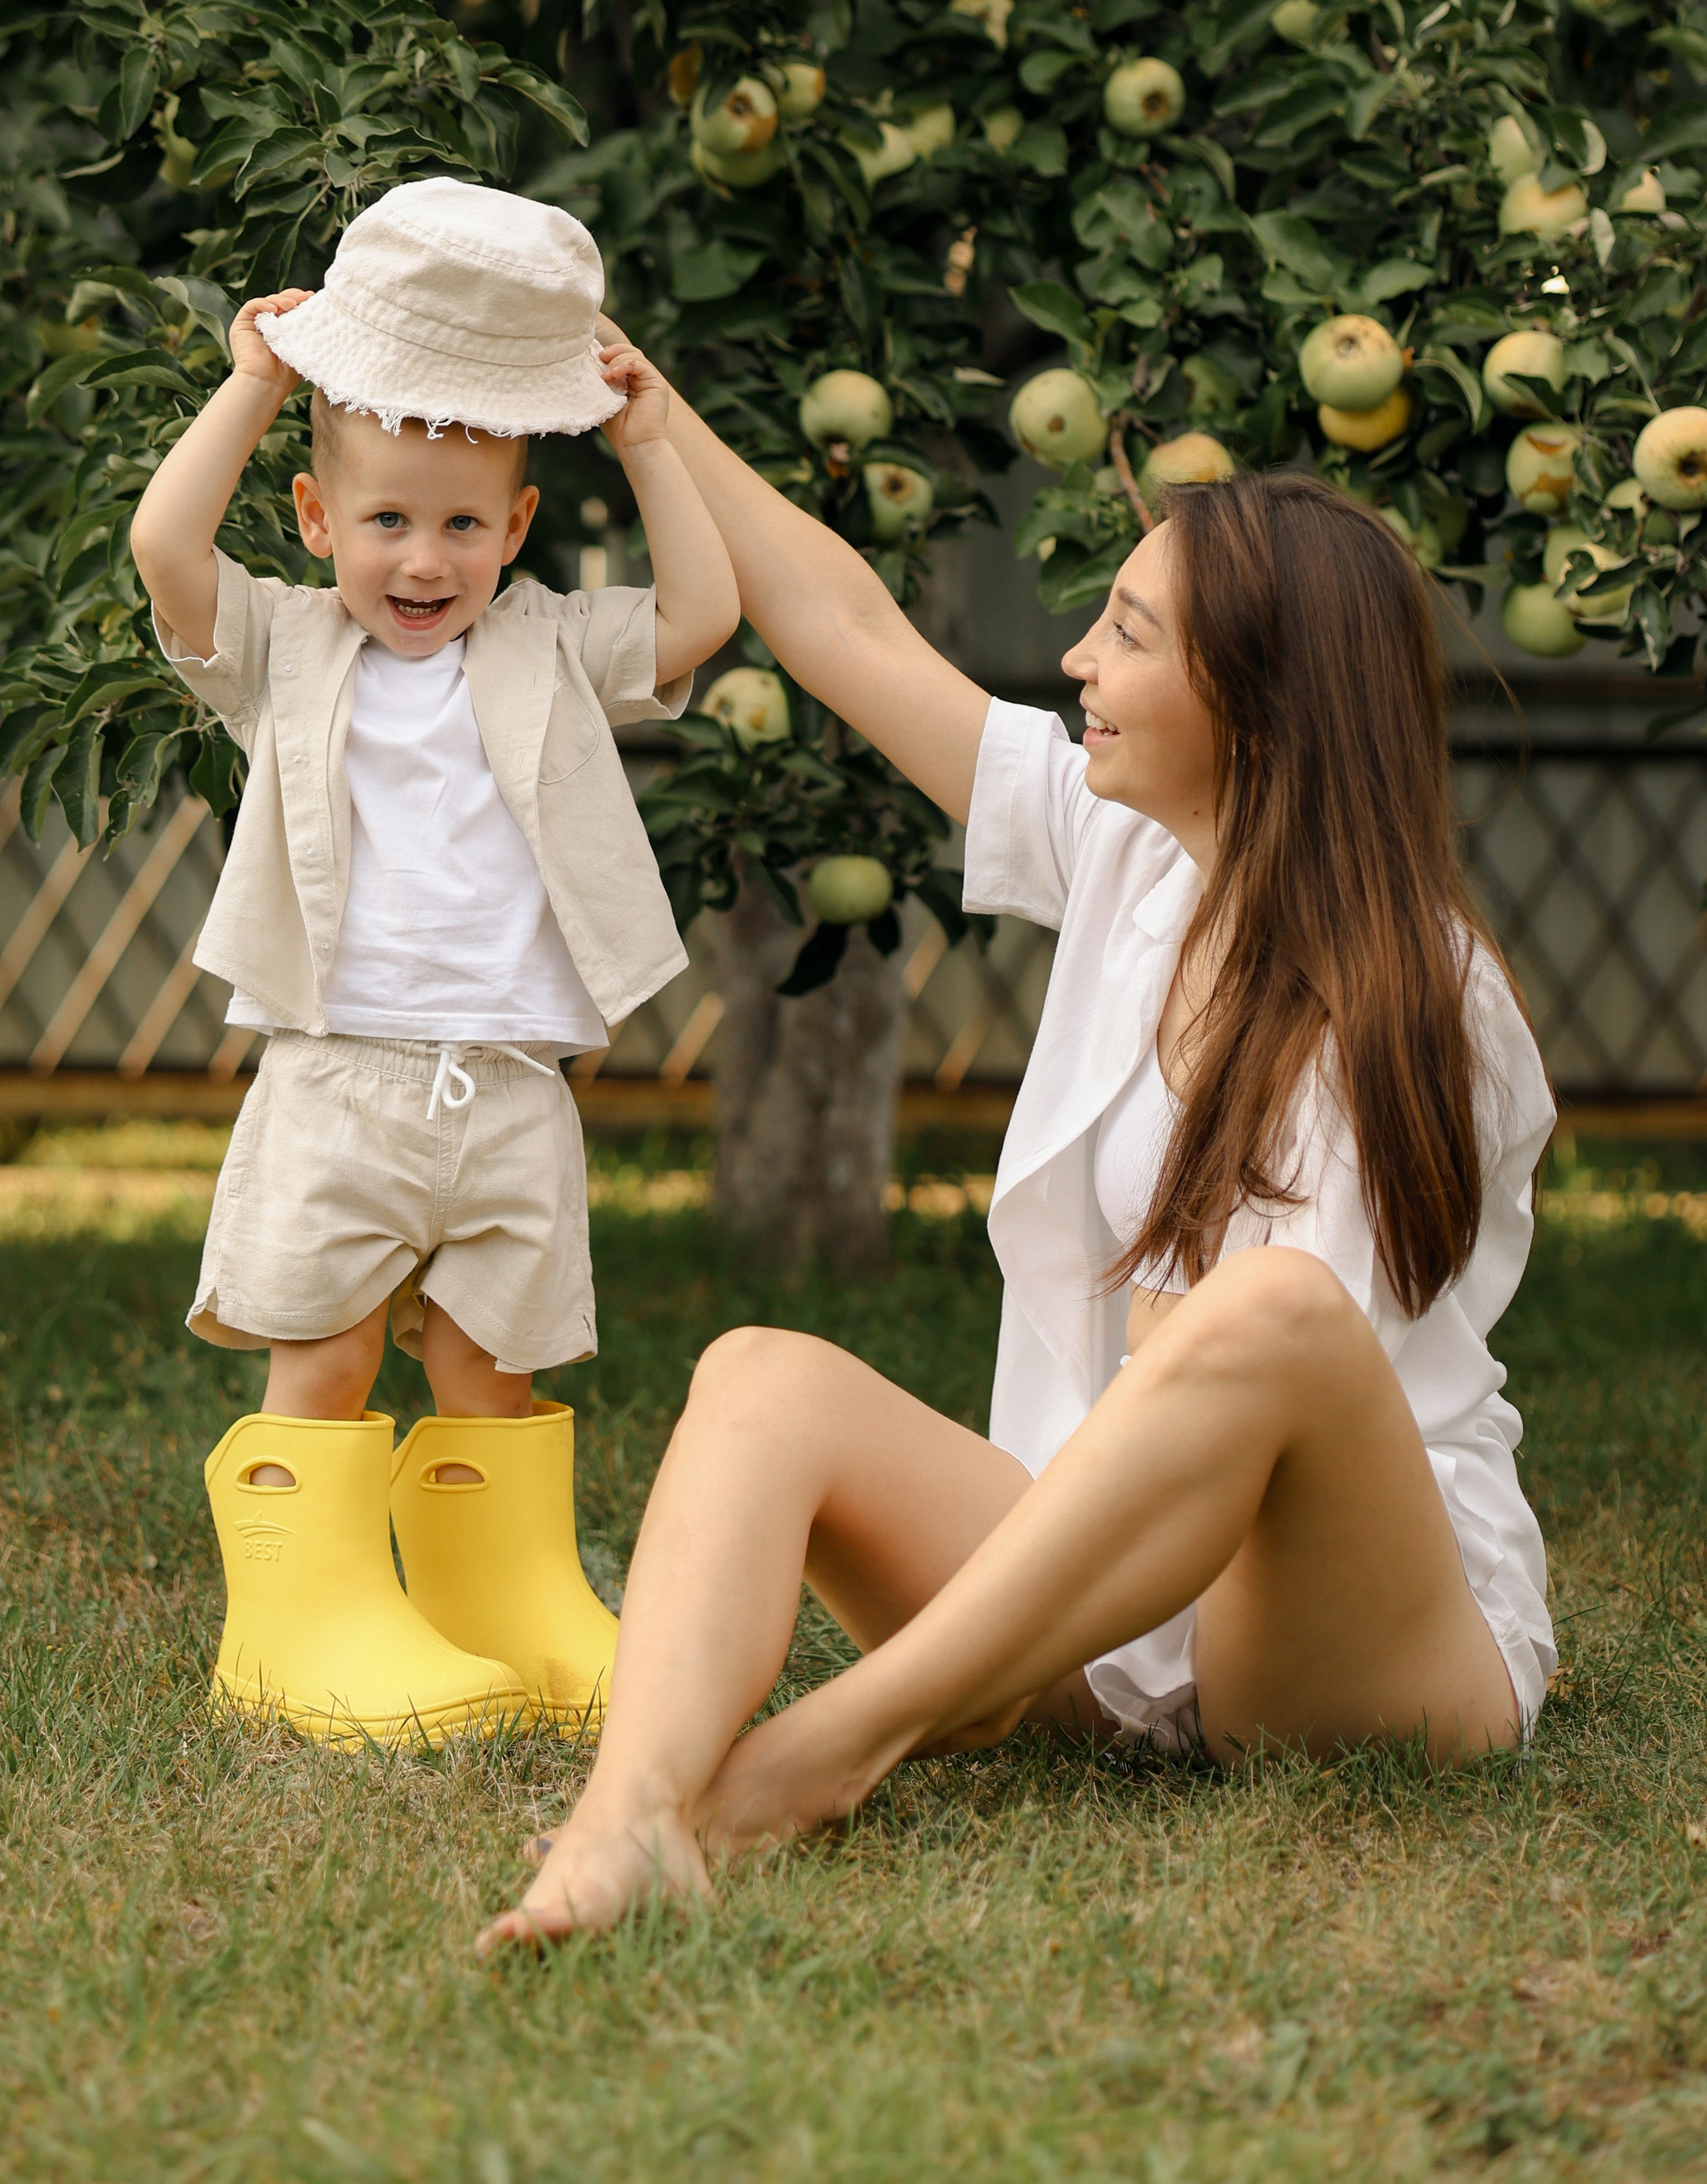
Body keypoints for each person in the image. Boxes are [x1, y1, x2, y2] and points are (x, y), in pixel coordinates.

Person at [479, 381, 1556, 1951]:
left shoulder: (1423, 1002)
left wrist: (1170, 1357)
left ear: (1253, 702)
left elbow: (1301, 1406)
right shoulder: (1132, 852)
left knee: (1267, 1315)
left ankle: (812, 1758)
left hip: (1342, 1648)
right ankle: (627, 1814)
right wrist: (642, 410)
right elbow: (843, 631)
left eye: (1124, 634)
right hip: (1097, 1621)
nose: (1073, 664)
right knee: (760, 1374)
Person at [129, 185, 738, 1748]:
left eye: (464, 524)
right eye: (386, 520)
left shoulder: (542, 641)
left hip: (512, 1083)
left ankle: (495, 1607)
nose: (424, 558)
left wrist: (648, 440)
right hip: (342, 1077)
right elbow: (162, 544)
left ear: (517, 529)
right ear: (320, 523)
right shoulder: (283, 648)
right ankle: (297, 1626)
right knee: (323, 1351)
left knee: (493, 1363)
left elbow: (700, 614)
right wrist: (256, 380)